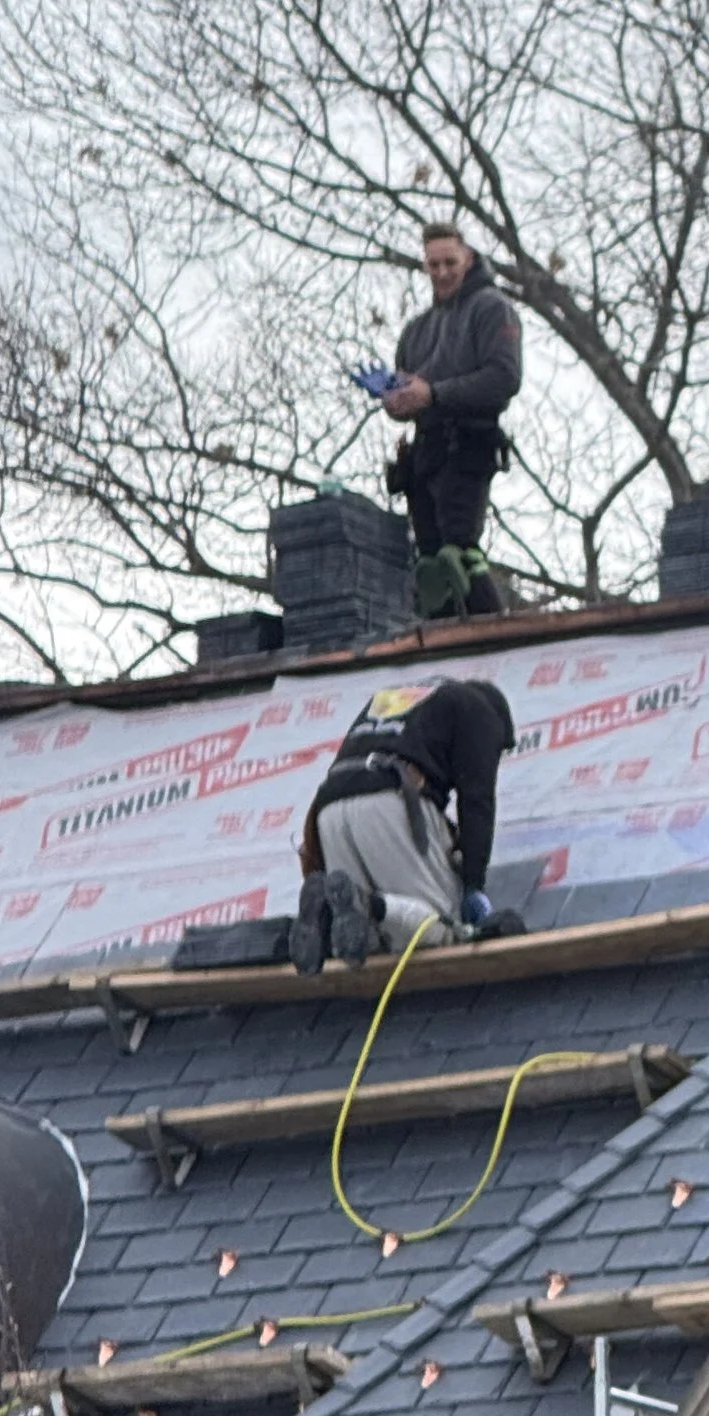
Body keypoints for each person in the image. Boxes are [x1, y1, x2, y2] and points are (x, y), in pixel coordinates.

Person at [290, 676, 519, 973]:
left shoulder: (407, 699)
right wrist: (474, 883)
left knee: (366, 948)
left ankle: (326, 917)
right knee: (443, 932)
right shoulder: (481, 711)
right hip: (390, 797)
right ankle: (365, 902)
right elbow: (477, 801)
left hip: (329, 808)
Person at [381, 223, 523, 621]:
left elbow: (504, 378)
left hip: (470, 442)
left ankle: (496, 635)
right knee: (429, 567)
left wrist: (435, 394)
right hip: (425, 452)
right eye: (433, 265)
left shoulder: (491, 308)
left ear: (469, 259)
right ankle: (443, 643)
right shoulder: (417, 330)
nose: (442, 272)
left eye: (450, 262)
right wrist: (397, 401)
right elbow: (405, 392)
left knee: (457, 556)